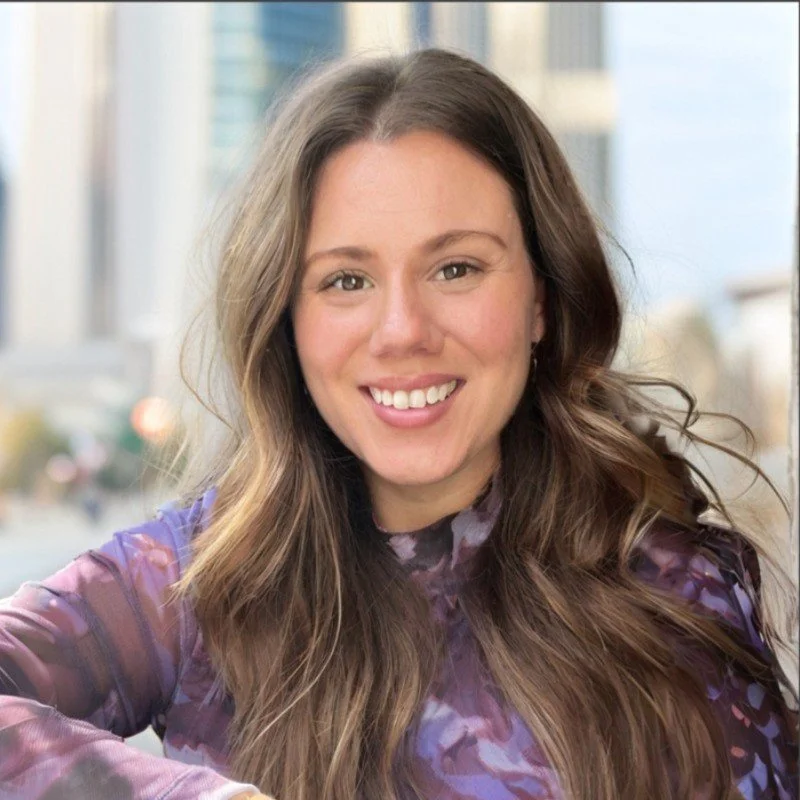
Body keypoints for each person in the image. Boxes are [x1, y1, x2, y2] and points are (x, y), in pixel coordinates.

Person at [0, 47, 797, 800]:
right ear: (288, 320)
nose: (402, 330)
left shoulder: (672, 598)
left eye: (457, 268)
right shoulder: (197, 578)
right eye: (346, 280)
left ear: (542, 300)